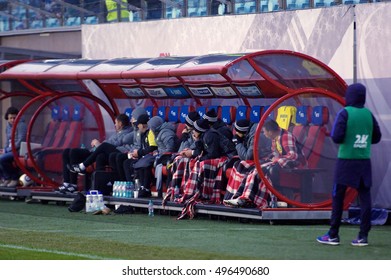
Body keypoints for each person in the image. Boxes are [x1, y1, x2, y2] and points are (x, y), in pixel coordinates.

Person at [317, 83, 382, 246]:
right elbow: (377, 137)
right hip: (364, 161)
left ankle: (333, 235)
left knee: (338, 197)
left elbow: (337, 137)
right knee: (365, 198)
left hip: (346, 160)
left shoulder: (344, 113)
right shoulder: (369, 114)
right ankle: (363, 236)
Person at [224, 118, 306, 209]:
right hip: (280, 164)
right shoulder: (275, 139)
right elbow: (275, 154)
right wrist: (270, 158)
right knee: (252, 168)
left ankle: (248, 199)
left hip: (294, 167)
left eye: (264, 132)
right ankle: (242, 197)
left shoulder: (286, 136)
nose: (264, 134)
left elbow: (293, 155)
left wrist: (275, 160)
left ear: (270, 132)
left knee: (257, 171)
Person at [58, 113, 132, 193]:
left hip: (104, 152)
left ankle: (78, 175)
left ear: (120, 124)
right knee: (68, 152)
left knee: (100, 150)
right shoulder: (118, 133)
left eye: (116, 123)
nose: (114, 125)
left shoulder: (127, 133)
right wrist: (98, 145)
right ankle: (68, 183)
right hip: (95, 151)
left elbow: (113, 144)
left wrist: (99, 144)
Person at [177, 118, 236, 219]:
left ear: (199, 131)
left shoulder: (210, 135)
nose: (193, 132)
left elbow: (213, 154)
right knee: (186, 160)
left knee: (201, 163)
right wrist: (196, 144)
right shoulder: (203, 136)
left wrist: (197, 157)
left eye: (194, 131)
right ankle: (187, 191)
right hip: (217, 156)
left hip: (229, 157)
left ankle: (203, 194)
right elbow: (202, 151)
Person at [223, 119, 272, 207]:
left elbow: (247, 157)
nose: (236, 134)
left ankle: (245, 199)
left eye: (237, 132)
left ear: (244, 132)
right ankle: (233, 197)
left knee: (245, 166)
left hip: (266, 159)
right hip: (258, 159)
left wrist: (238, 143)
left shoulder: (255, 135)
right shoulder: (250, 131)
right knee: (238, 164)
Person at [133, 116, 178, 197]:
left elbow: (170, 149)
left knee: (147, 164)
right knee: (144, 163)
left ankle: (146, 188)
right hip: (160, 156)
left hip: (167, 157)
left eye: (151, 127)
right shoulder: (158, 133)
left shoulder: (165, 133)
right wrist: (156, 152)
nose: (150, 130)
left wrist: (158, 153)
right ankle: (143, 187)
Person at [108, 107, 147, 181]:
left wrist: (133, 152)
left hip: (140, 154)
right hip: (133, 152)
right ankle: (118, 182)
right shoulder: (136, 129)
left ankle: (125, 183)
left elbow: (139, 145)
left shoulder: (143, 130)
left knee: (120, 158)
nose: (131, 120)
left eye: (133, 118)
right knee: (112, 156)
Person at [123, 113, 157, 197]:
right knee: (126, 163)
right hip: (144, 156)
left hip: (152, 157)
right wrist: (136, 153)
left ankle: (144, 188)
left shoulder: (150, 133)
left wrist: (139, 153)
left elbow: (152, 147)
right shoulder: (143, 134)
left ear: (142, 125)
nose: (137, 127)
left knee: (143, 165)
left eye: (138, 125)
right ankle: (131, 187)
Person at [0, 107, 27, 187]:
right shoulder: (8, 126)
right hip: (10, 150)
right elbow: (7, 140)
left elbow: (20, 140)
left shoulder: (21, 125)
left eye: (14, 118)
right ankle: (6, 178)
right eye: (10, 118)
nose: (12, 120)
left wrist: (8, 150)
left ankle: (14, 178)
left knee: (2, 159)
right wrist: (4, 149)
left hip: (18, 150)